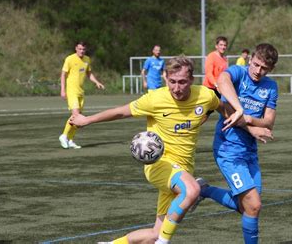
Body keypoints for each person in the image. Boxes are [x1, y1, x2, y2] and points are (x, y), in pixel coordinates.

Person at [70, 56, 229, 244]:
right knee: (191, 189)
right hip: (158, 164)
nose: (177, 88)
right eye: (172, 82)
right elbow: (121, 111)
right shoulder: (155, 99)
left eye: (182, 82)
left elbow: (222, 108)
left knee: (155, 234)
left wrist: (247, 125)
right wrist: (87, 120)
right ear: (166, 78)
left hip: (183, 169)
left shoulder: (205, 95)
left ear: (191, 80)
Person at [193, 43, 279, 244]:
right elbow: (222, 82)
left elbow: (268, 122)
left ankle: (204, 190)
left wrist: (244, 117)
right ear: (251, 59)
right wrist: (240, 111)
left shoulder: (271, 87)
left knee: (247, 208)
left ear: (270, 69)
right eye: (256, 64)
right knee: (254, 205)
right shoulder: (238, 73)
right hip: (228, 150)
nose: (258, 71)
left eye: (263, 68)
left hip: (250, 151)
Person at [59, 41, 105, 149]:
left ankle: (70, 140)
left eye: (83, 49)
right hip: (71, 91)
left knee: (78, 117)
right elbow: (63, 75)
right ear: (76, 48)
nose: (81, 51)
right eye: (79, 49)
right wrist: (62, 89)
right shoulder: (69, 59)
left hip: (80, 91)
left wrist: (97, 82)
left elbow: (89, 73)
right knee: (76, 115)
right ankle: (64, 135)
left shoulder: (87, 59)